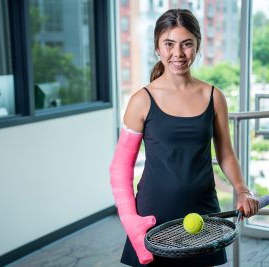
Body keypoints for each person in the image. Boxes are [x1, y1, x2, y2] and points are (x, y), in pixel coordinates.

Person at [110, 8, 259, 267]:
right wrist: (129, 217)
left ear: (197, 46)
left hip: (202, 210)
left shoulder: (214, 96)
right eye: (169, 44)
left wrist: (242, 189)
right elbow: (119, 168)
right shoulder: (141, 100)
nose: (178, 54)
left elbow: (225, 153)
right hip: (154, 212)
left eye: (187, 44)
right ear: (157, 47)